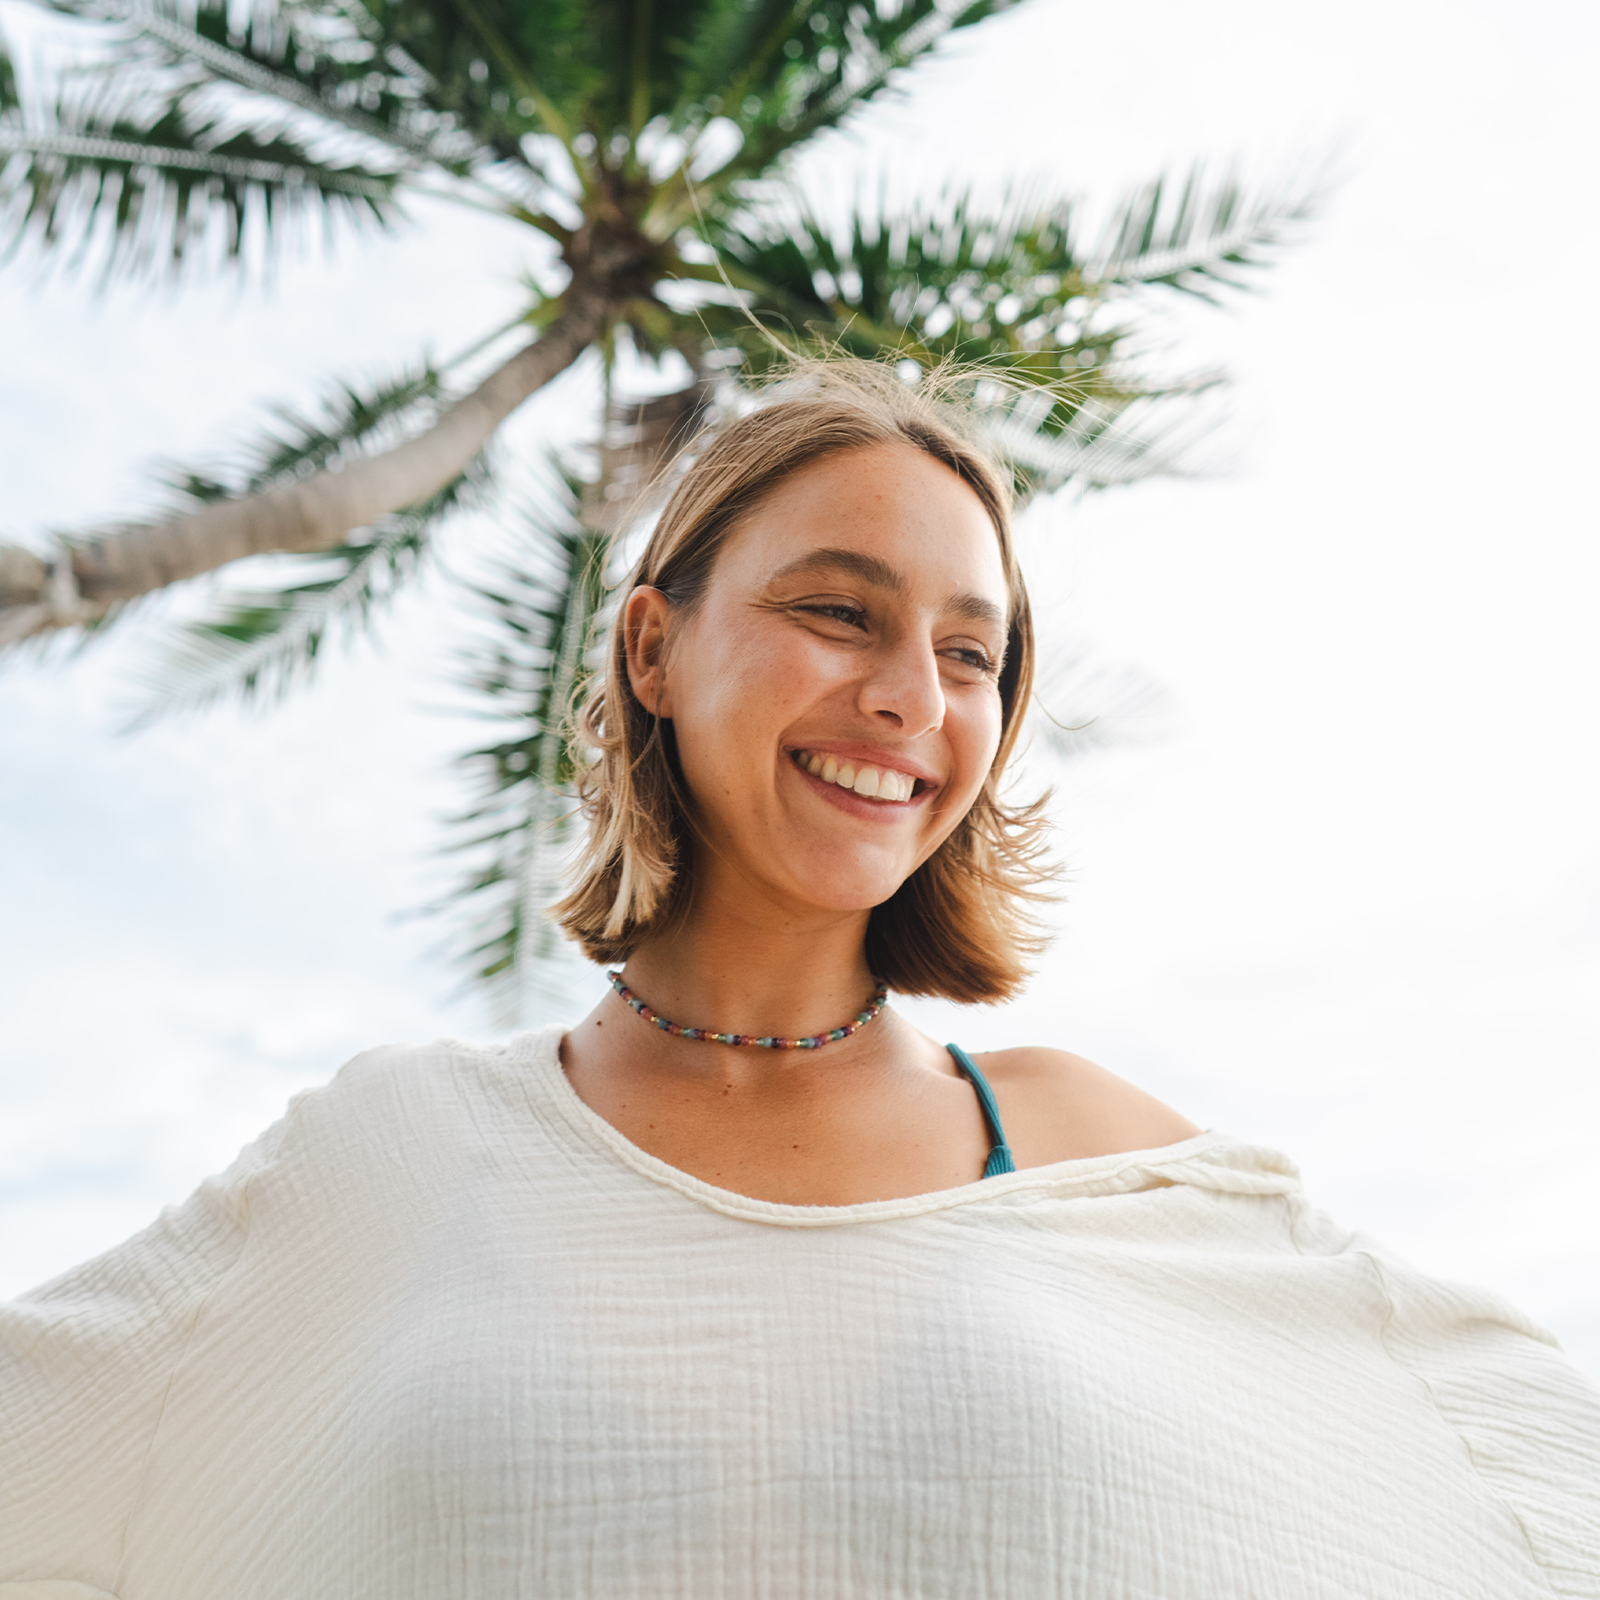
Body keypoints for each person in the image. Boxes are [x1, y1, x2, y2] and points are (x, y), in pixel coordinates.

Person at [2, 359, 1597, 1599]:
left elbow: (1514, 1473)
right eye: (839, 612)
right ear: (653, 650)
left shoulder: (1095, 1161)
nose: (911, 696)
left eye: (972, 655)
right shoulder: (391, 1150)